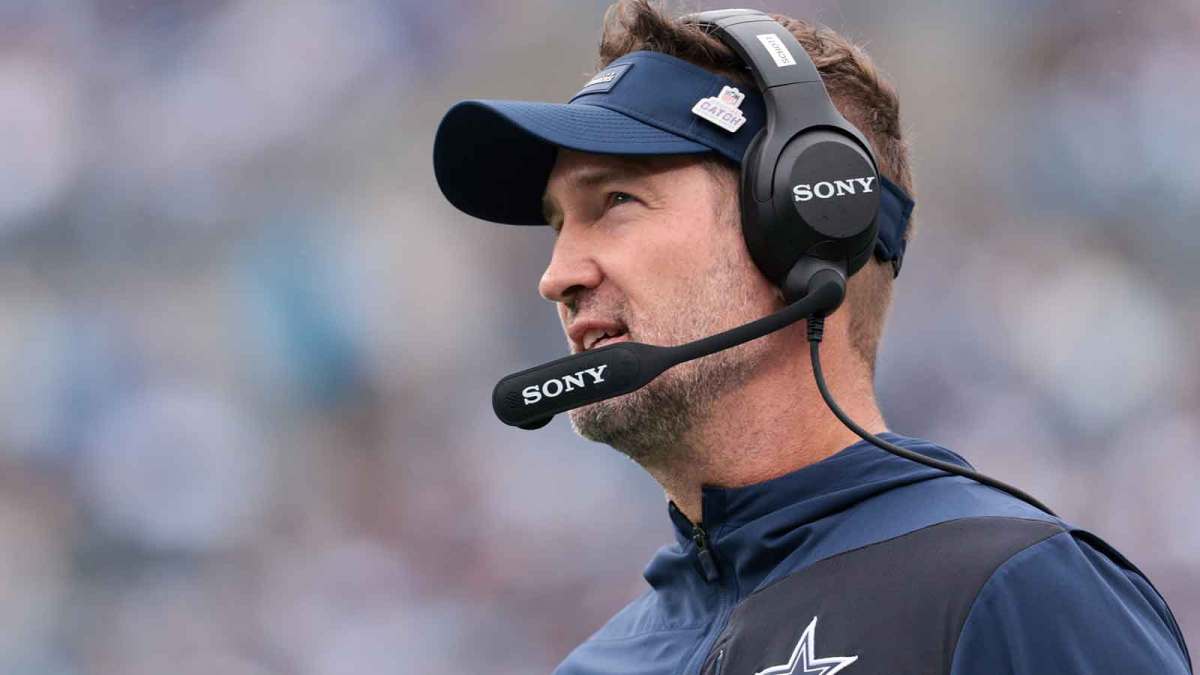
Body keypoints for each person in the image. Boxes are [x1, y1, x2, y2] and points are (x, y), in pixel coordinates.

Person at [432, 2, 1193, 673]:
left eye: (618, 201)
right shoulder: (597, 663)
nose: (557, 273)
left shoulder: (1012, 589)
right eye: (559, 222)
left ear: (798, 229)